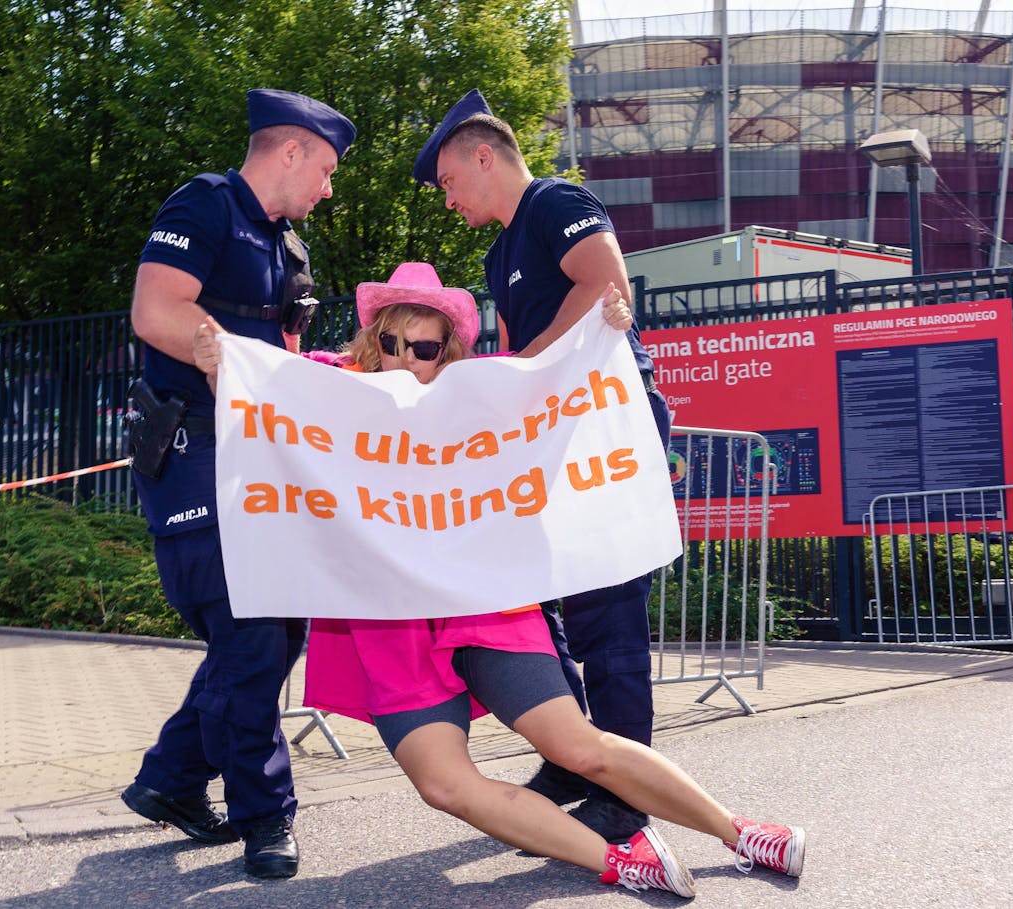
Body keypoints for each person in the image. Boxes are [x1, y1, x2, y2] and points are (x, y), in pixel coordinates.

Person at [196, 263, 806, 900]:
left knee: (578, 747)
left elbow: (560, 386)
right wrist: (217, 364)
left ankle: (743, 833)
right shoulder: (330, 388)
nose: (406, 359)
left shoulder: (481, 395)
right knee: (443, 785)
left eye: (425, 347)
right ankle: (618, 860)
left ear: (449, 349)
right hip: (385, 625)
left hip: (482, 607)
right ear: (371, 338)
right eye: (392, 342)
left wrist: (609, 329)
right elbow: (260, 402)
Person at [413, 89, 672, 841]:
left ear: (482, 156)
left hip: (600, 433)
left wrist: (520, 368)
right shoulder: (501, 250)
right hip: (553, 438)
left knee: (606, 608)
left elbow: (607, 285)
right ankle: (573, 754)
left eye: (450, 183)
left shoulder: (556, 202)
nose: (450, 199)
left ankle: (626, 791)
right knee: (541, 600)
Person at [120, 88, 355, 880]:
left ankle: (171, 777)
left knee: (274, 630)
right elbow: (157, 311)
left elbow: (284, 357)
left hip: (260, 463)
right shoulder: (204, 204)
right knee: (250, 633)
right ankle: (265, 816)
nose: (328, 188)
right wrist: (225, 354)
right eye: (323, 169)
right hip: (194, 450)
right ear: (288, 151)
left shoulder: (290, 249)